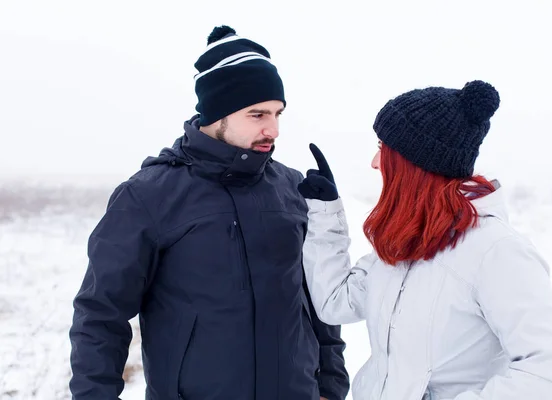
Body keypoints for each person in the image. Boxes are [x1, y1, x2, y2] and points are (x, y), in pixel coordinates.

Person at [69, 25, 349, 400]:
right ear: (217, 114)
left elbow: (319, 298)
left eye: (278, 113)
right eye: (257, 114)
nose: (274, 129)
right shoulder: (148, 197)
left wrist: (330, 385)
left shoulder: (291, 188)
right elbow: (100, 316)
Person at [297, 81, 552, 400]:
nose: (375, 163)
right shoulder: (405, 239)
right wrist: (325, 214)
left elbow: (548, 375)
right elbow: (336, 304)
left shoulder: (496, 252)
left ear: (416, 165)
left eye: (382, 150)